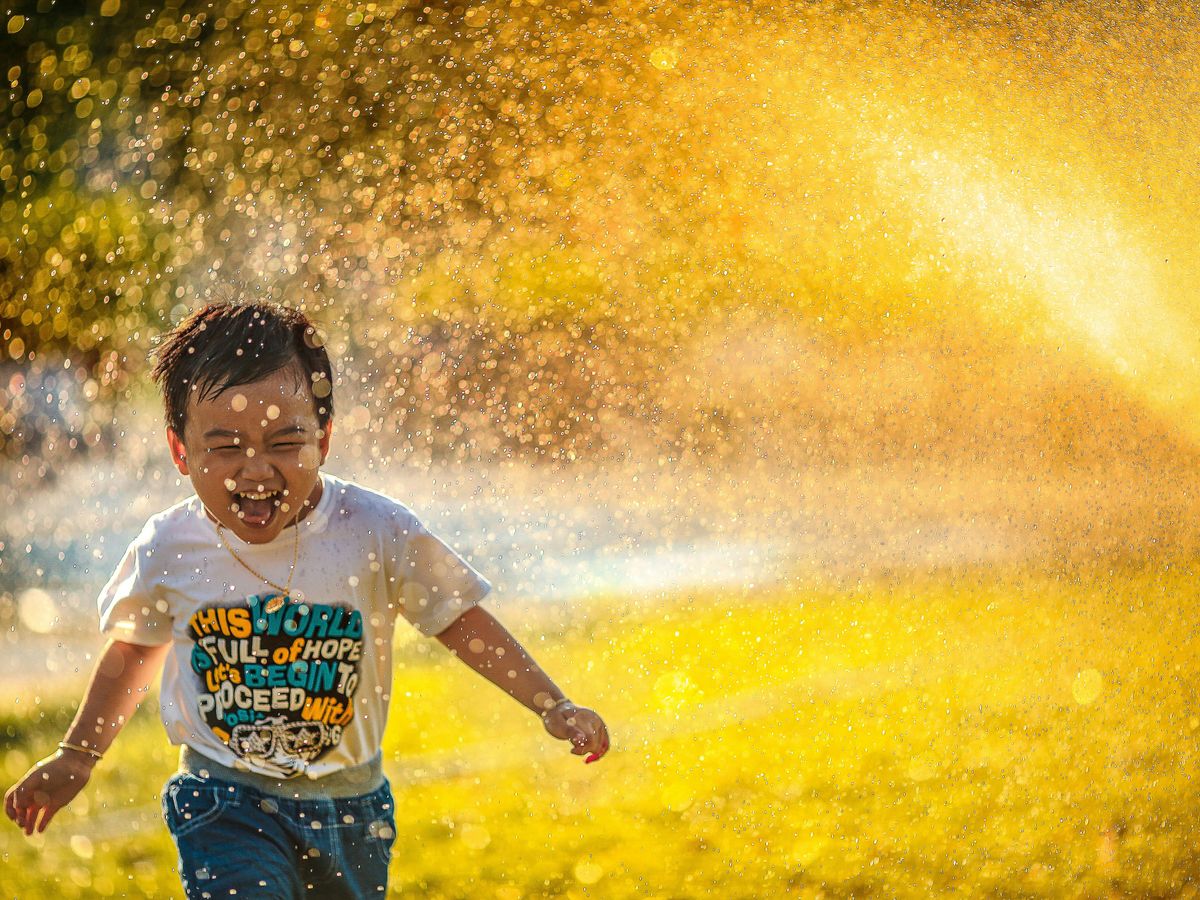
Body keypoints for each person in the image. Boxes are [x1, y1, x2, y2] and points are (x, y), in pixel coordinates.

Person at [3, 300, 610, 898]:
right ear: (180, 452)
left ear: (324, 438)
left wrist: (551, 703)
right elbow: (135, 651)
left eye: (284, 442)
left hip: (351, 809)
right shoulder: (170, 546)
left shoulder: (374, 530)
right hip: (224, 799)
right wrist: (78, 754)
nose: (256, 469)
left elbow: (459, 619)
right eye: (226, 447)